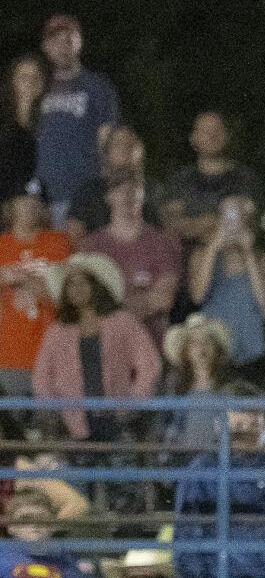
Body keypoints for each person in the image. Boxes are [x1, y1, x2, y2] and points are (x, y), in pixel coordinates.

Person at [173, 380, 265, 578]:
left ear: (262, 423)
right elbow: (187, 541)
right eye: (239, 414)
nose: (246, 424)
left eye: (253, 415)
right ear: (219, 423)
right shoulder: (200, 471)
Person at [33, 251, 160, 444]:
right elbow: (42, 376)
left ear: (97, 286)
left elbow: (149, 364)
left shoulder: (122, 322)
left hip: (118, 421)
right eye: (70, 284)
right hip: (73, 424)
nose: (76, 289)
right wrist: (56, 411)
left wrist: (133, 403)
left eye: (82, 282)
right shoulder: (57, 331)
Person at [35, 15, 119, 227]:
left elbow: (108, 139)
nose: (63, 46)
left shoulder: (98, 86)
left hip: (83, 198)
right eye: (56, 41)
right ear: (45, 46)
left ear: (80, 43)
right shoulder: (36, 86)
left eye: (69, 40)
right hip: (39, 200)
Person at [78, 176, 181, 342]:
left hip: (150, 342)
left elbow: (165, 298)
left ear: (143, 196)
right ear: (109, 197)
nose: (127, 197)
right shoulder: (92, 246)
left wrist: (112, 306)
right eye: (120, 191)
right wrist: (144, 300)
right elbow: (83, 298)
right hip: (104, 344)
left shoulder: (161, 242)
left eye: (133, 191)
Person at [187, 194, 265, 375]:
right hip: (213, 356)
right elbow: (197, 296)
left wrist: (248, 252)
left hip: (252, 357)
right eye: (227, 215)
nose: (232, 222)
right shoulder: (201, 257)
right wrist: (213, 246)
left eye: (238, 215)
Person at [155, 111, 264, 253]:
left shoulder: (244, 178)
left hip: (232, 259)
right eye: (205, 131)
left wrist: (197, 224)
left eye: (217, 130)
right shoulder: (180, 180)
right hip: (189, 259)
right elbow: (172, 225)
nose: (212, 135)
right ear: (193, 138)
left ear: (227, 135)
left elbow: (247, 223)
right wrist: (219, 223)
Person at [0, 190, 72, 395]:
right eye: (24, 202)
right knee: (12, 422)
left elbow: (67, 290)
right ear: (12, 207)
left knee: (50, 422)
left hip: (52, 351)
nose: (30, 208)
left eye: (35, 203)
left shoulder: (58, 242)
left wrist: (25, 280)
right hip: (9, 353)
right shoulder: (2, 246)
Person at [160, 312, 235, 448]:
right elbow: (168, 428)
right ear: (186, 351)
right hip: (185, 461)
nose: (201, 348)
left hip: (219, 460)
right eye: (194, 343)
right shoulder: (175, 386)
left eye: (207, 341)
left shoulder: (230, 386)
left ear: (216, 348)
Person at [65, 123, 148, 239]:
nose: (124, 150)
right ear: (106, 153)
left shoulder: (146, 192)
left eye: (129, 145)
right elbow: (73, 233)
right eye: (118, 144)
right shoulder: (89, 193)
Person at [0, 55, 46, 203]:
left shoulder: (45, 124)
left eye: (35, 77)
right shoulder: (4, 123)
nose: (30, 83)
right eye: (24, 77)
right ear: (12, 82)